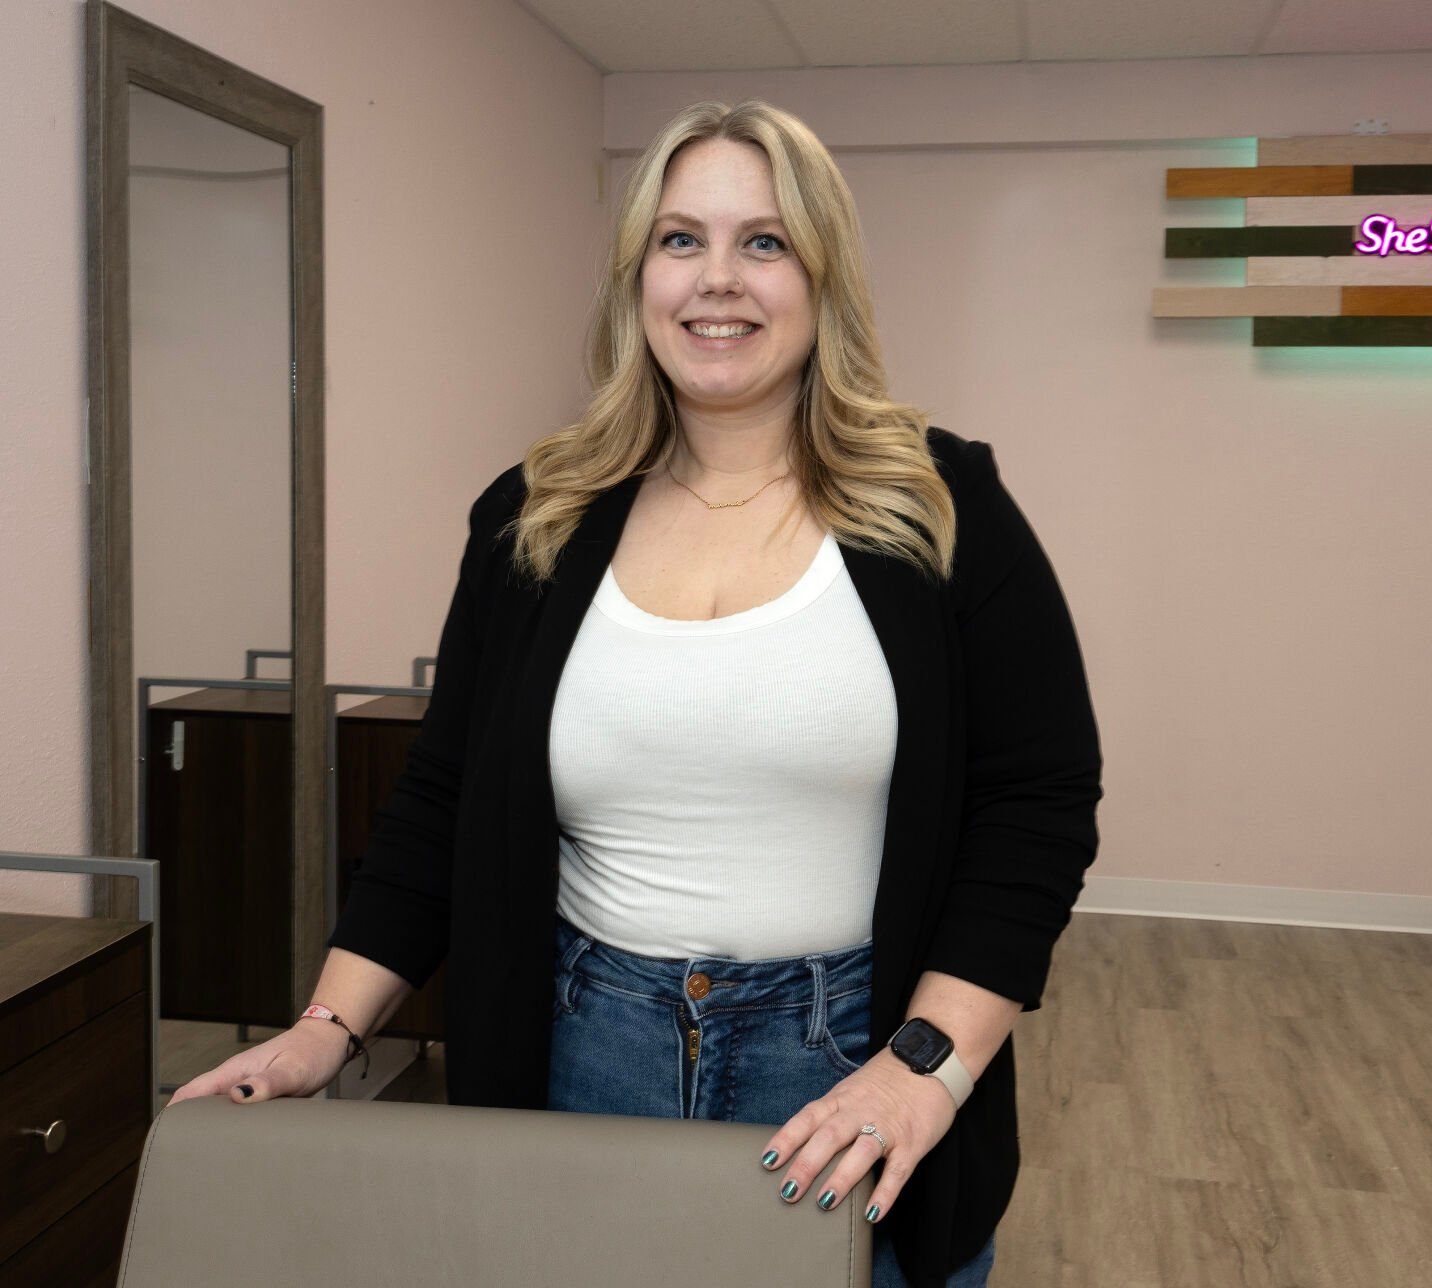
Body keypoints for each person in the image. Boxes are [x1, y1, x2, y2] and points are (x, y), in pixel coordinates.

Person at [169, 98, 1103, 1288]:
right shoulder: (533, 514)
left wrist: (925, 1066)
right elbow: (442, 798)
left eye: (763, 242)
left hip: (849, 1058)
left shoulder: (940, 502)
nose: (718, 280)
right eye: (680, 240)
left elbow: (1036, 804)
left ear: (823, 277)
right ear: (635, 277)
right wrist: (323, 1029)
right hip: (577, 1048)